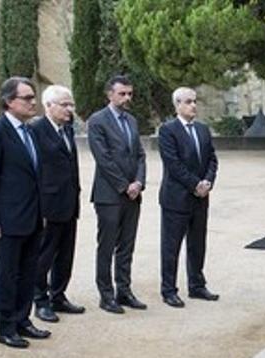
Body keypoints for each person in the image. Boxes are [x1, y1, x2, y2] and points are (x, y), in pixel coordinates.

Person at [0, 76, 49, 349]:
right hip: (7, 220)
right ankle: (6, 326)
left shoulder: (30, 131)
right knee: (7, 274)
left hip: (31, 217)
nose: (33, 103)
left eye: (33, 97)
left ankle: (22, 319)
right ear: (9, 101)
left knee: (28, 271)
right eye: (27, 98)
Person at [86, 75, 147, 314]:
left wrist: (139, 182)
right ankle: (106, 295)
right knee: (107, 245)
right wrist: (125, 185)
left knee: (127, 245)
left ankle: (124, 291)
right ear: (109, 94)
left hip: (133, 194)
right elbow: (103, 159)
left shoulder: (131, 120)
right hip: (109, 195)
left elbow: (140, 154)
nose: (127, 98)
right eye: (122, 94)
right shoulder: (97, 120)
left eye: (130, 94)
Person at [156, 86, 219, 308]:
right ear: (177, 105)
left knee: (197, 244)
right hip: (177, 198)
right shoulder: (168, 130)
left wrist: (208, 182)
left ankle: (197, 285)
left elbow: (212, 159)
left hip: (201, 198)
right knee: (171, 246)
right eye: (188, 101)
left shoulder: (203, 129)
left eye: (195, 101)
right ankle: (169, 290)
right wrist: (195, 184)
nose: (194, 105)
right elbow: (173, 164)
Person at [31, 84, 85, 323]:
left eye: (71, 104)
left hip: (69, 203)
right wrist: (38, 207)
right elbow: (34, 172)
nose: (69, 109)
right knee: (43, 256)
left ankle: (58, 296)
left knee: (65, 254)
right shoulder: (36, 130)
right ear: (48, 106)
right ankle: (40, 301)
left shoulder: (67, 130)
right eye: (64, 104)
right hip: (48, 205)